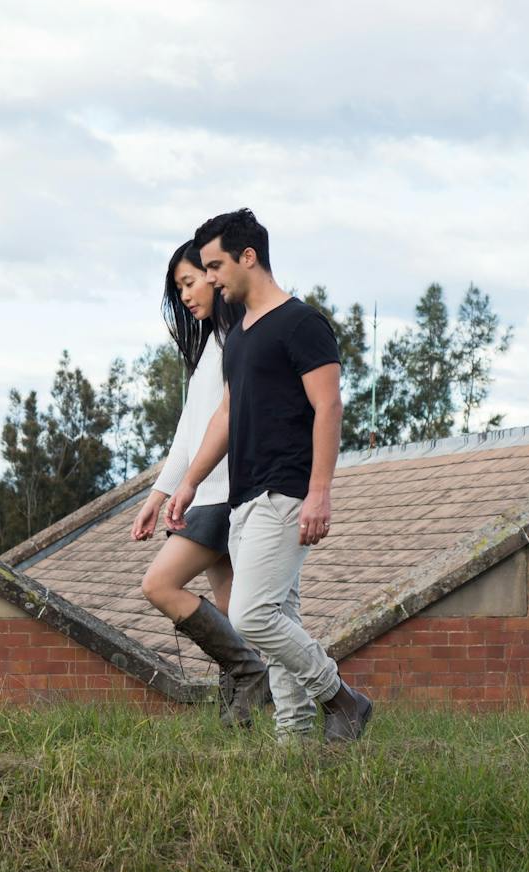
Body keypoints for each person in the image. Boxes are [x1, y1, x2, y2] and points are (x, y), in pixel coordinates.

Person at [166, 209, 374, 743]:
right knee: (280, 618)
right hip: (243, 496)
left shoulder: (302, 324)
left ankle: (342, 699)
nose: (210, 278)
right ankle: (295, 740)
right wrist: (190, 482)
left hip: (286, 490)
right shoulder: (239, 336)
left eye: (215, 266)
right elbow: (226, 415)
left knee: (253, 616)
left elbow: (328, 407)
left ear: (248, 257)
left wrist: (319, 492)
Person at [130, 241, 269, 726]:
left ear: (215, 275)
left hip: (220, 493)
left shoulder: (237, 340)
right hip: (204, 493)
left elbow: (228, 423)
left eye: (191, 281)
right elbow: (190, 430)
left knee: (160, 584)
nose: (187, 295)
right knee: (234, 612)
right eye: (180, 288)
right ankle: (242, 718)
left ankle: (250, 673)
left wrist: (185, 488)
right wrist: (158, 495)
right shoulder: (211, 345)